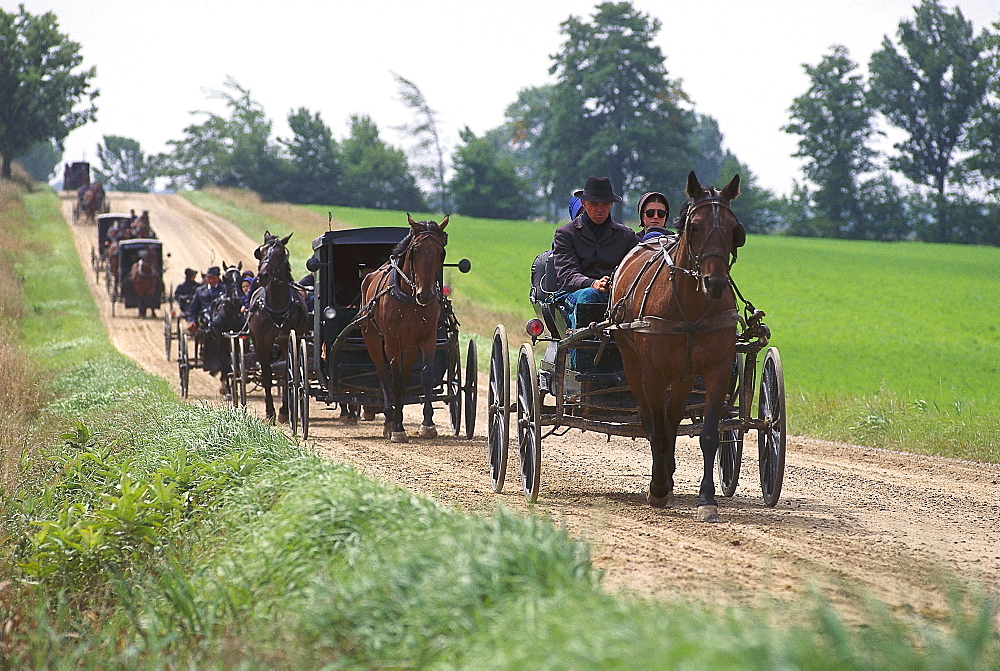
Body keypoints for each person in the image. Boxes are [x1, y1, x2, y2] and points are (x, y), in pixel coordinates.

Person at [552, 176, 637, 329]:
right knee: (589, 296)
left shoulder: (627, 236)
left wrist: (613, 285)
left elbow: (636, 271)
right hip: (575, 293)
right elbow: (567, 274)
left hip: (617, 294)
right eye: (594, 204)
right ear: (584, 204)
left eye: (604, 204)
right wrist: (593, 283)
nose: (600, 209)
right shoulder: (565, 234)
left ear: (611, 205)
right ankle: (582, 350)